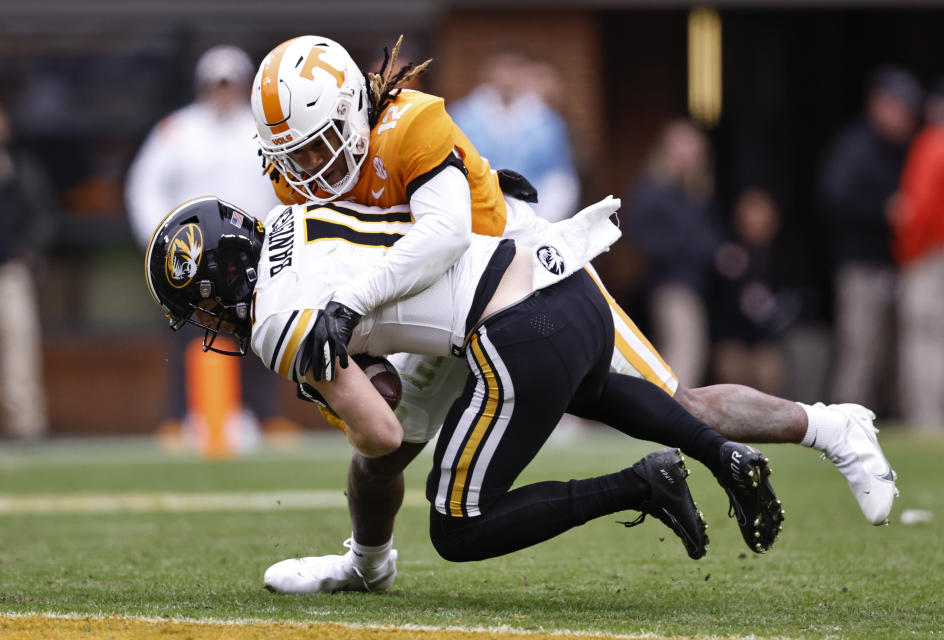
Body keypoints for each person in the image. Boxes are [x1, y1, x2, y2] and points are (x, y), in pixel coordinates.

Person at [248, 34, 898, 593]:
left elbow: (442, 233)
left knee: (680, 402)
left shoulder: (409, 124)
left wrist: (350, 304)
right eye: (294, 156)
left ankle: (829, 427)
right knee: (379, 457)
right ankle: (366, 565)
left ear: (353, 111)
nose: (309, 169)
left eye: (319, 145)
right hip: (443, 301)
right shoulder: (295, 179)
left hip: (522, 275)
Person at [145, 196, 787, 590]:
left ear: (218, 282)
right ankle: (719, 451)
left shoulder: (272, 319)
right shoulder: (294, 216)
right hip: (563, 277)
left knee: (457, 525)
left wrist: (333, 395)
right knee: (594, 389)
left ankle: (643, 484)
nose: (207, 324)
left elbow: (383, 436)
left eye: (197, 307)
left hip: (518, 328)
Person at [125, 45, 283, 440]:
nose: (223, 92)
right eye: (216, 84)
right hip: (191, 257)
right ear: (202, 86)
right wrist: (158, 243)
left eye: (230, 84)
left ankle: (266, 417)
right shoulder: (177, 131)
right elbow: (144, 186)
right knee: (185, 332)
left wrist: (279, 239)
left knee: (259, 329)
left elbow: (283, 189)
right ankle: (178, 419)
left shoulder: (263, 131)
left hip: (251, 253)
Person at [817, 65, 922, 415]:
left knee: (895, 355)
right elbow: (833, 199)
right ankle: (844, 424)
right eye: (897, 106)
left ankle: (889, 427)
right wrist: (884, 210)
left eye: (908, 109)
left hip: (897, 265)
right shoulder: (855, 145)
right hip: (861, 267)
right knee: (860, 351)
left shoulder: (909, 148)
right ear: (877, 104)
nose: (904, 116)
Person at [621, 119, 724, 387]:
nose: (690, 155)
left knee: (688, 349)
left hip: (694, 285)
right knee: (684, 350)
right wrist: (695, 251)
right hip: (669, 285)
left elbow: (710, 238)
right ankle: (673, 414)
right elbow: (643, 237)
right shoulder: (654, 191)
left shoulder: (693, 193)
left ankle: (670, 414)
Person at [892, 77, 944, 428]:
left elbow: (919, 207)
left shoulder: (936, 142)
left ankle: (929, 419)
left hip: (932, 255)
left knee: (926, 336)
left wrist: (909, 252)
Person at [448, 51, 580, 222]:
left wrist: (543, 220)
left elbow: (558, 178)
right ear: (488, 73)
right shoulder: (462, 117)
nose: (507, 78)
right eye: (502, 70)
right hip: (473, 216)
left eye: (513, 71)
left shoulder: (546, 120)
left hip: (532, 215)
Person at [709, 188, 802, 396]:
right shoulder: (728, 256)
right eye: (751, 214)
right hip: (732, 341)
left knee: (769, 370)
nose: (756, 221)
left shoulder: (782, 259)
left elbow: (792, 303)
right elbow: (717, 306)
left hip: (766, 343)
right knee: (732, 371)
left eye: (762, 214)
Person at [0, 104, 55, 439]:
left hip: (10, 274)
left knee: (20, 354)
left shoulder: (20, 169)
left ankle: (27, 428)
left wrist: (30, 249)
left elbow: (45, 215)